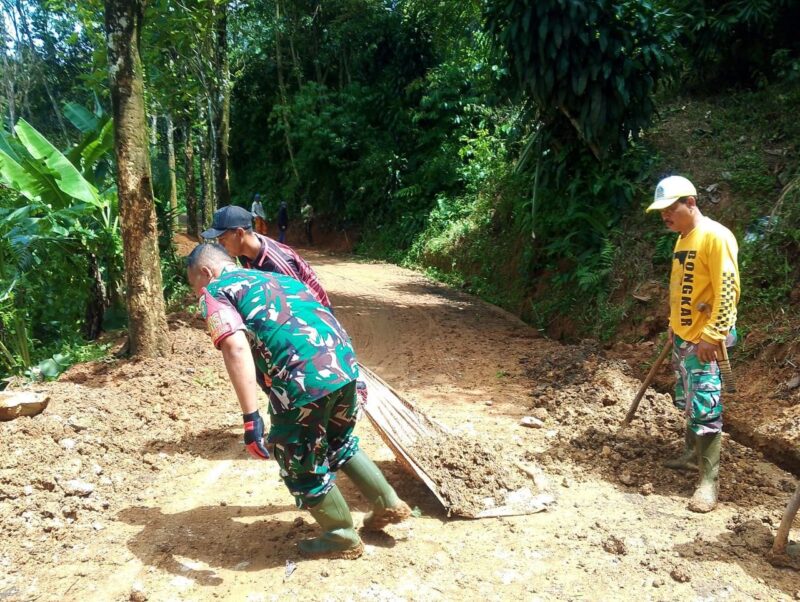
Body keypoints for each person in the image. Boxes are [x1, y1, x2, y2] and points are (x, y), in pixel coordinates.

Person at [186, 243, 411, 559]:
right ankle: (386, 502)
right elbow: (321, 314)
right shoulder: (277, 279)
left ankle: (341, 535)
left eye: (195, 285)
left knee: (299, 462)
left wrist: (251, 417)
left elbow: (235, 348)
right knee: (339, 441)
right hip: (344, 365)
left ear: (206, 273)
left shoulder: (216, 292)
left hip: (301, 379)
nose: (197, 294)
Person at [647, 175, 740, 513]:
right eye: (661, 211)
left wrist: (713, 335)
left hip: (706, 340)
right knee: (688, 399)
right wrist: (675, 325)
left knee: (706, 405)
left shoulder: (714, 237)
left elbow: (727, 289)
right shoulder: (684, 238)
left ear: (691, 202)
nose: (665, 216)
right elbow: (684, 288)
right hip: (686, 336)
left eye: (670, 208)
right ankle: (690, 455)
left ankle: (708, 483)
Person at [202, 205, 331, 308]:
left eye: (222, 239)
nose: (220, 245)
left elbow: (303, 304)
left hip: (316, 313)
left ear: (240, 233)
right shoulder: (244, 252)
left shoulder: (277, 264)